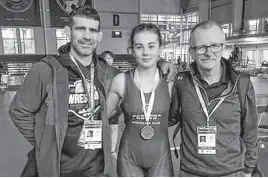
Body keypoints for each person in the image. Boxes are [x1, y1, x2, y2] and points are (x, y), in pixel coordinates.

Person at [8, 6, 177, 177]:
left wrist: (162, 63)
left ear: (99, 36)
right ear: (68, 31)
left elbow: (144, 65)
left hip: (95, 168)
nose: (87, 36)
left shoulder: (108, 73)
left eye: (93, 30)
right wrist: (47, 142)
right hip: (58, 168)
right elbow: (19, 111)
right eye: (80, 29)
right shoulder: (46, 70)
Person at [174, 21, 258, 177]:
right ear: (191, 51)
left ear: (223, 46)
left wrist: (248, 169)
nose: (209, 52)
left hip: (233, 173)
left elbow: (250, 131)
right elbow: (167, 119)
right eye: (201, 47)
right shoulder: (181, 83)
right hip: (191, 173)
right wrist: (158, 64)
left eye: (215, 45)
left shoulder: (242, 83)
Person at [107, 23, 179, 177]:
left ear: (160, 48)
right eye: (139, 47)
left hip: (161, 158)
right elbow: (100, 116)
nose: (146, 52)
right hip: (129, 158)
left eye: (151, 46)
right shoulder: (121, 80)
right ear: (131, 50)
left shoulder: (170, 80)